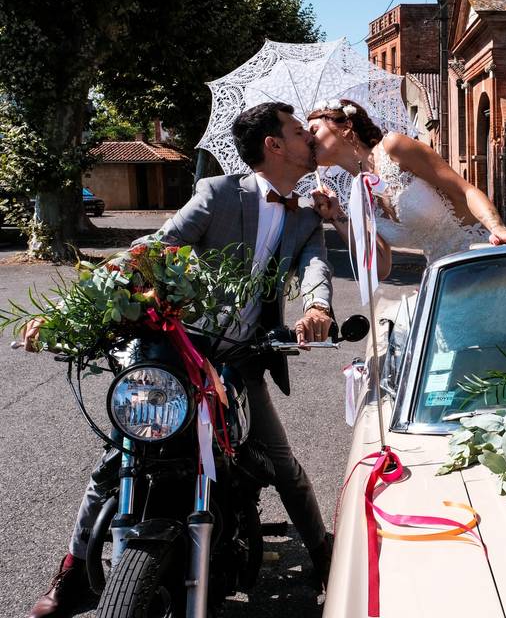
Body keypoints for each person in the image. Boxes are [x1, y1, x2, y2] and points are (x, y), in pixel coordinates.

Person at [24, 102, 335, 617]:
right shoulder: (218, 193)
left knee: (283, 468)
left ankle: (325, 555)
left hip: (241, 359)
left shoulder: (305, 217)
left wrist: (318, 306)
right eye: (301, 132)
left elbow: (316, 268)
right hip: (175, 351)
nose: (311, 141)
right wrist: (65, 311)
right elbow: (152, 248)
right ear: (273, 146)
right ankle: (73, 574)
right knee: (116, 460)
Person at [306, 99, 506, 274]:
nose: (308, 140)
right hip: (445, 282)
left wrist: (498, 229)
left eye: (314, 130)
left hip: (484, 258)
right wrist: (336, 216)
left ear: (345, 127)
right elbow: (380, 267)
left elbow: (464, 190)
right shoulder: (355, 195)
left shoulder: (393, 147)